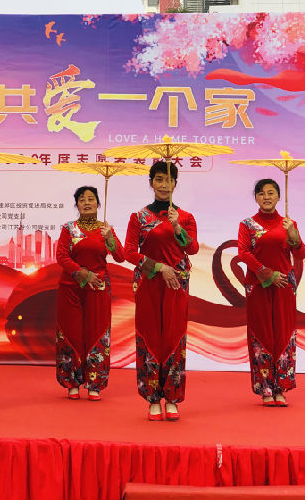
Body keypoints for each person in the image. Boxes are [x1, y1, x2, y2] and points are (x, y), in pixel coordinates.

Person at [124, 162, 198, 421]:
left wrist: (177, 228)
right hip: (149, 284)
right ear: (151, 183)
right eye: (159, 179)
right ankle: (153, 398)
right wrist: (158, 267)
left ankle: (173, 397)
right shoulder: (139, 217)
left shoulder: (185, 217)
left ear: (175, 184)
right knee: (150, 336)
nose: (164, 185)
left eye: (169, 180)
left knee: (174, 337)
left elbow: (192, 249)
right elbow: (129, 253)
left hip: (177, 285)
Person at [238, 178, 305, 407]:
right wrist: (267, 274)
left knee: (284, 333)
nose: (266, 197)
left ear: (278, 197)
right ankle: (266, 389)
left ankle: (281, 388)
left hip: (284, 285)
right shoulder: (247, 224)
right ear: (256, 198)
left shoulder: (288, 224)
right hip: (258, 285)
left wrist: (294, 237)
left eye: (270, 193)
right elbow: (243, 253)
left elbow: (300, 253)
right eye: (261, 193)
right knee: (262, 333)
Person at [55, 186, 125, 401]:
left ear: (98, 203)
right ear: (76, 205)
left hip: (98, 287)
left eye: (91, 199)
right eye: (82, 200)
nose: (86, 203)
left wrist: (110, 238)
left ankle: (95, 382)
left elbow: (120, 256)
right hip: (71, 287)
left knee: (97, 333)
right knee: (72, 332)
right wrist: (83, 274)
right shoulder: (69, 228)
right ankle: (72, 382)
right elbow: (62, 256)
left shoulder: (105, 229)